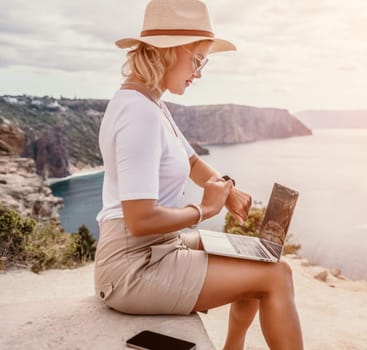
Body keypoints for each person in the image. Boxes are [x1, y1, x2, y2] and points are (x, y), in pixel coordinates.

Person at [93, 0, 303, 349]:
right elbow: (140, 219)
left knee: (255, 256)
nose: (199, 72)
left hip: (157, 248)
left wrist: (229, 190)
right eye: (197, 59)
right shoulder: (139, 114)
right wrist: (206, 210)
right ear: (168, 52)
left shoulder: (150, 103)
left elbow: (191, 162)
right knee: (277, 276)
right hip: (133, 267)